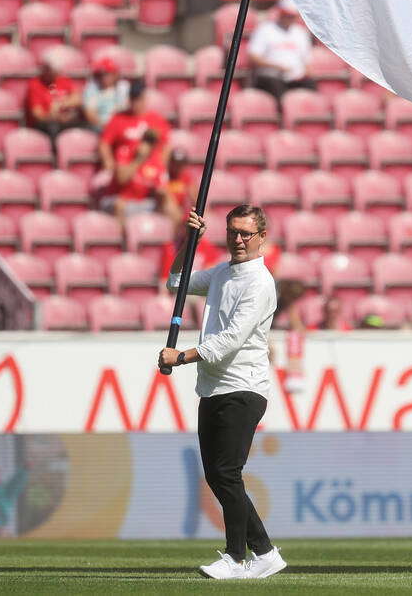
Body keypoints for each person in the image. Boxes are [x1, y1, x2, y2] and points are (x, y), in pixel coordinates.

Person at [159, 205, 287, 580]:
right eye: (233, 232)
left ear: (262, 237)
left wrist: (179, 356)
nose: (239, 239)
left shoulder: (260, 283)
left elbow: (230, 341)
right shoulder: (221, 273)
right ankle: (264, 553)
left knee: (227, 472)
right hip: (213, 386)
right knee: (218, 475)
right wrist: (190, 240)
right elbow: (176, 282)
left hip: (243, 386)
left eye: (247, 233)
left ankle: (235, 557)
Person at [97, 80, 172, 221]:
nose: (135, 103)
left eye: (138, 99)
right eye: (133, 99)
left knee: (168, 202)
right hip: (125, 173)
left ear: (144, 99)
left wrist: (161, 166)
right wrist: (108, 162)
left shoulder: (156, 120)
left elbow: (166, 144)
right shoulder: (119, 119)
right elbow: (104, 143)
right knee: (119, 205)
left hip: (149, 177)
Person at [249, 0, 314, 101]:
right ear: (280, 14)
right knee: (276, 86)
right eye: (286, 15)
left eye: (292, 16)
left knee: (310, 85)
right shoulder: (265, 29)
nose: (289, 18)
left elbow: (307, 60)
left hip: (295, 77)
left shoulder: (301, 33)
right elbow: (254, 56)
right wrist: (277, 67)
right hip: (271, 75)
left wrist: (303, 73)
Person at [26, 56, 83, 141]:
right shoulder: (35, 84)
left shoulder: (63, 80)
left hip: (65, 119)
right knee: (53, 127)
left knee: (84, 125)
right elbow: (38, 115)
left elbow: (78, 99)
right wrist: (53, 115)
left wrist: (61, 104)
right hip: (47, 123)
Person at [82, 56, 130, 131]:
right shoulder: (92, 89)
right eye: (100, 74)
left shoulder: (124, 86)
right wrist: (109, 130)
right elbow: (90, 115)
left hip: (123, 126)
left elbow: (129, 108)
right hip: (101, 127)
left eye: (107, 73)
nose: (103, 77)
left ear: (115, 74)